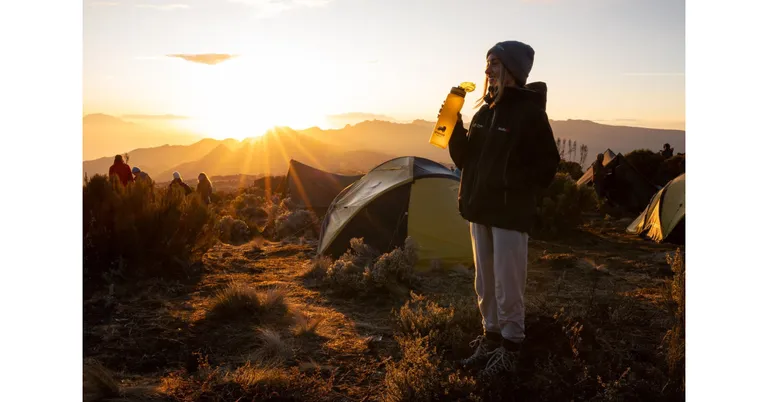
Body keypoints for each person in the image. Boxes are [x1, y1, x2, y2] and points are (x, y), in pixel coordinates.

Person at [447, 40, 560, 379]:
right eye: (487, 63)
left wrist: (509, 181)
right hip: (480, 209)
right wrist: (452, 120)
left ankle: (511, 347)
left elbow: (547, 167)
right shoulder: (485, 111)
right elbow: (464, 157)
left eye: (495, 62)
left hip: (510, 213)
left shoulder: (529, 113)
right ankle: (491, 338)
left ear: (513, 70)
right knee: (485, 283)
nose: (488, 69)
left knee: (508, 283)